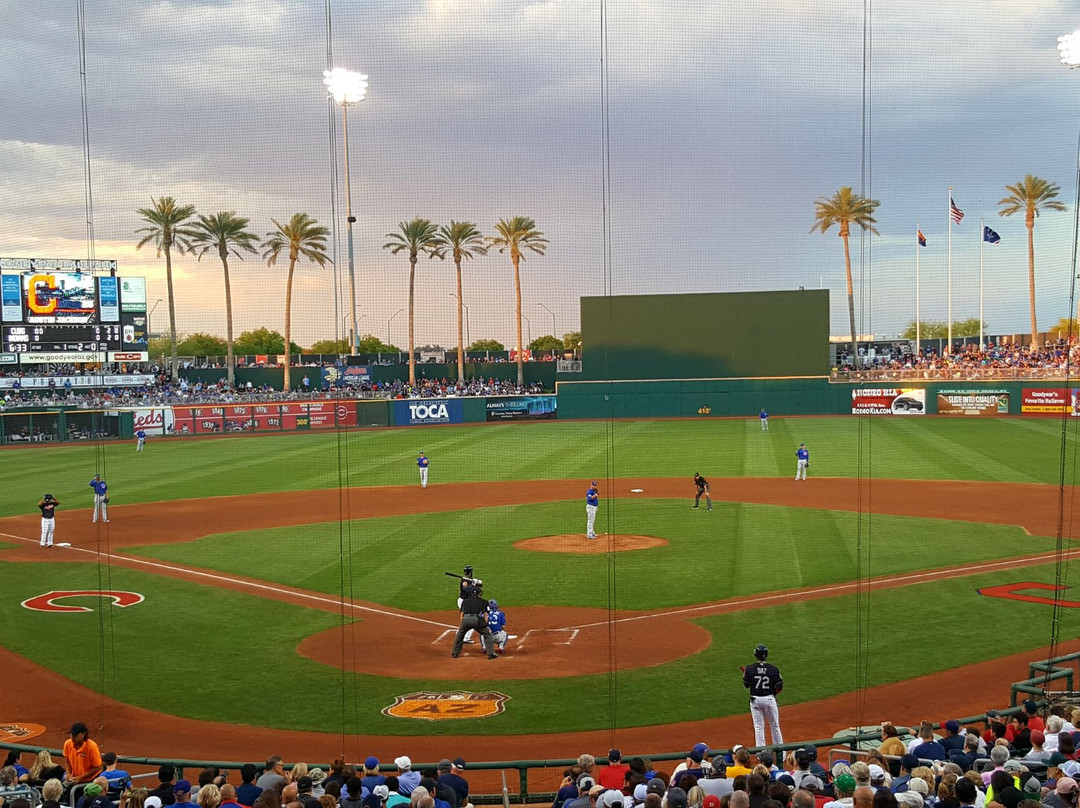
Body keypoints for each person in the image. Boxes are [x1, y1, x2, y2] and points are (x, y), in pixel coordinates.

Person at [742, 644, 783, 747]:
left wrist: (746, 674)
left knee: (759, 727)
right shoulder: (773, 669)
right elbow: (779, 685)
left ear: (755, 654)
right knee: (775, 726)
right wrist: (773, 694)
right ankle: (781, 753)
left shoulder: (750, 669)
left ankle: (761, 752)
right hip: (769, 699)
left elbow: (746, 684)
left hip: (756, 700)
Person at [452, 582, 497, 659]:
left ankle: (455, 653)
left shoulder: (465, 601)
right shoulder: (484, 601)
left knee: (460, 635)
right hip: (476, 620)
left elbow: (461, 613)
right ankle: (491, 654)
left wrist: (462, 624)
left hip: (465, 619)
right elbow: (486, 614)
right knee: (487, 635)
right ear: (479, 594)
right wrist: (485, 625)